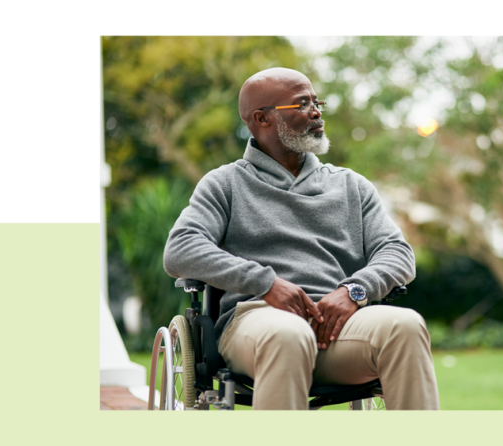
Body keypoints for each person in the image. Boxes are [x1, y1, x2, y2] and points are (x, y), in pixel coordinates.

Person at [163, 67, 440, 410]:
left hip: (337, 326)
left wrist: (354, 291)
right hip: (257, 321)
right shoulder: (225, 184)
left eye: (316, 101)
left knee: (406, 325)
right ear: (262, 118)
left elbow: (397, 252)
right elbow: (180, 249)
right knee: (288, 334)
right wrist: (266, 283)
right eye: (302, 103)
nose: (316, 111)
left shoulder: (350, 185)